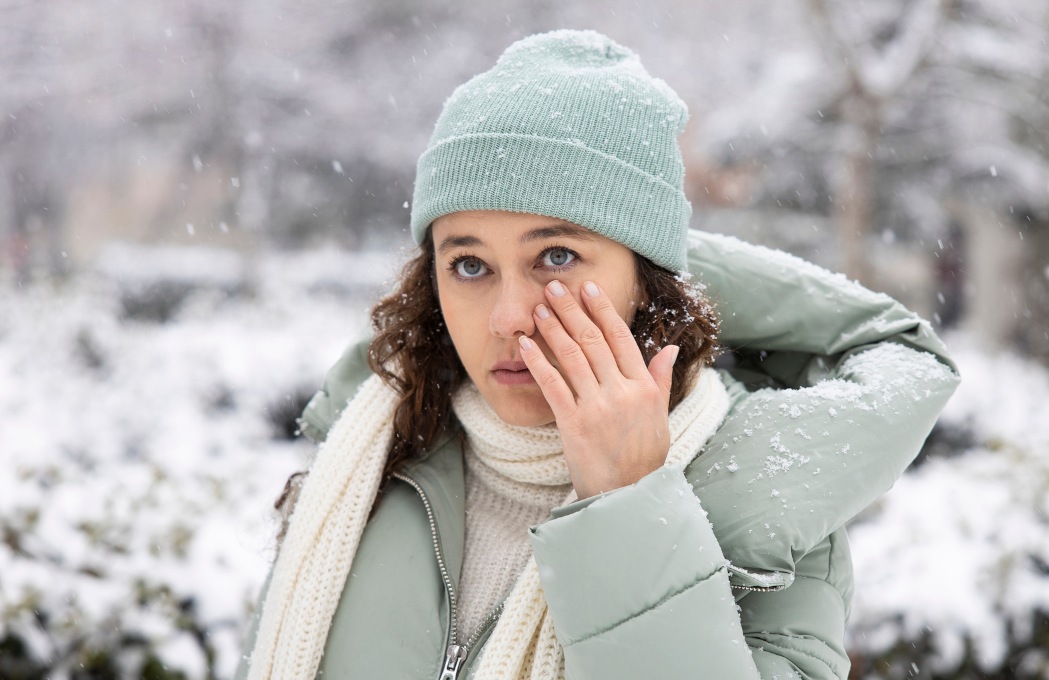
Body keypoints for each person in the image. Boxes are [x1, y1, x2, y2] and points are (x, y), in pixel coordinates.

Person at [237, 29, 959, 680]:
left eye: (556, 255)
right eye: (468, 264)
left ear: (645, 280)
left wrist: (629, 513)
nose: (509, 317)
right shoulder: (368, 458)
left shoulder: (765, 514)